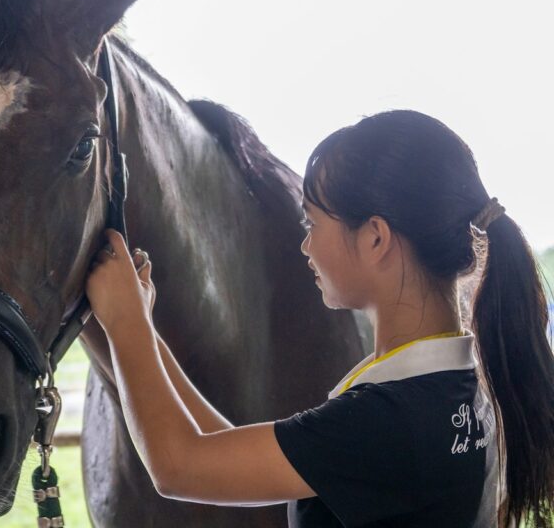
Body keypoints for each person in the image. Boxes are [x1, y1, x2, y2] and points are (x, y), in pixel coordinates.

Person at [86, 110, 554, 527]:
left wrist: (125, 325)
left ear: (375, 238)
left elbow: (179, 465)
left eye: (313, 223)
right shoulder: (466, 385)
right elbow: (218, 446)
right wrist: (145, 331)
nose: (306, 245)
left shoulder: (382, 419)